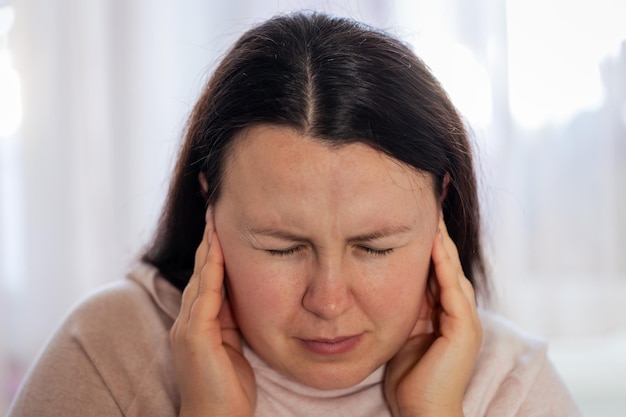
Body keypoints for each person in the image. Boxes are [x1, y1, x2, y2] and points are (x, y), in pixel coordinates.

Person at [7, 11, 580, 417]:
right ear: (209, 205)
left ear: (441, 211)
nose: (328, 300)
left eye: (375, 246)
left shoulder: (511, 386)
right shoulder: (108, 352)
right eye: (281, 247)